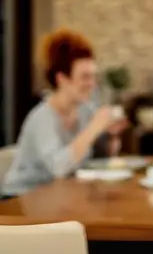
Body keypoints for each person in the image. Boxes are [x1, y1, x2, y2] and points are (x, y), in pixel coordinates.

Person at [2, 28, 128, 196]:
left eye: (93, 76)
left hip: (58, 198)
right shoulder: (42, 118)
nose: (92, 84)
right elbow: (59, 168)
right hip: (21, 201)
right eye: (85, 77)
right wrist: (94, 128)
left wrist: (112, 136)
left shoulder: (85, 110)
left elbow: (98, 160)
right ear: (62, 79)